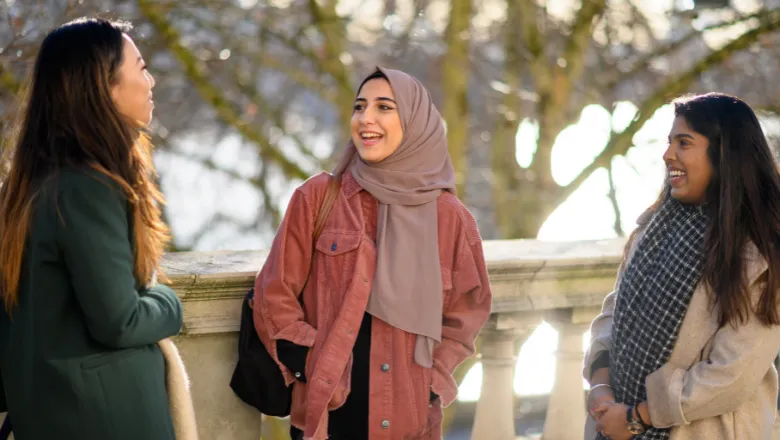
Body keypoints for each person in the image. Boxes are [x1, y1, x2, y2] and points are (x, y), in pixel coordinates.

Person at [252, 67, 492, 440]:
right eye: (360, 106)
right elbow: (274, 293)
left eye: (384, 107)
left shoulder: (451, 219)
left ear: (415, 121)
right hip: (327, 414)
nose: (366, 118)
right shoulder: (317, 199)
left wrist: (434, 380)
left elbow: (468, 310)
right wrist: (310, 362)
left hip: (407, 419)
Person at [0, 17, 196, 439]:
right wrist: (169, 303)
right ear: (106, 88)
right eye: (141, 68)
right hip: (105, 417)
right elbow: (119, 321)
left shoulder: (27, 186)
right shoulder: (87, 187)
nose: (151, 81)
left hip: (49, 409)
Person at [583, 93, 780, 440]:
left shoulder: (759, 253)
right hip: (612, 422)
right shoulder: (654, 226)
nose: (667, 154)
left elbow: (731, 374)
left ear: (724, 153)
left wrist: (636, 418)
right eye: (669, 141)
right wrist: (601, 384)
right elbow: (614, 315)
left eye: (683, 142)